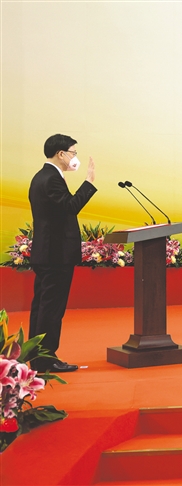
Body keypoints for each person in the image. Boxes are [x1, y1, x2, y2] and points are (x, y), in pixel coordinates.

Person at [28, 134, 97, 372]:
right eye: (73, 153)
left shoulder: (41, 176)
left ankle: (36, 356)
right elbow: (71, 206)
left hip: (47, 253)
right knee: (51, 309)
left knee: (42, 307)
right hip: (55, 255)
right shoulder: (51, 179)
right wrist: (89, 182)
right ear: (61, 154)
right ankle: (46, 359)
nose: (74, 157)